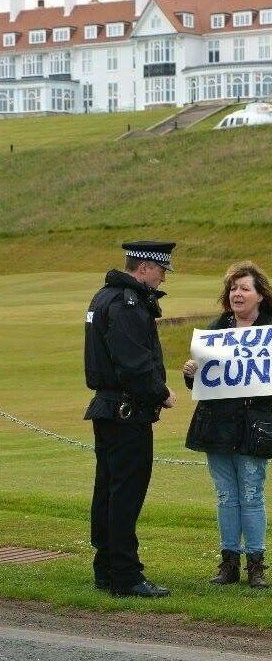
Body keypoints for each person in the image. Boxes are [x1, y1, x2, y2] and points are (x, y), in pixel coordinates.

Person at [183, 261, 272, 588]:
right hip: (217, 426)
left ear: (260, 295)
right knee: (226, 496)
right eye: (233, 288)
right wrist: (190, 372)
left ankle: (256, 564)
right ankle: (228, 563)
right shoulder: (216, 331)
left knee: (252, 494)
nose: (237, 294)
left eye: (244, 288)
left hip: (256, 427)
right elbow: (202, 383)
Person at [84, 240, 177, 598]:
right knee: (126, 492)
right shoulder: (128, 303)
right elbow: (133, 362)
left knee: (108, 488)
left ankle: (106, 567)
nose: (162, 277)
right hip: (127, 411)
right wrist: (161, 393)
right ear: (145, 267)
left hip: (108, 408)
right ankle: (125, 574)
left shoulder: (102, 297)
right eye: (161, 270)